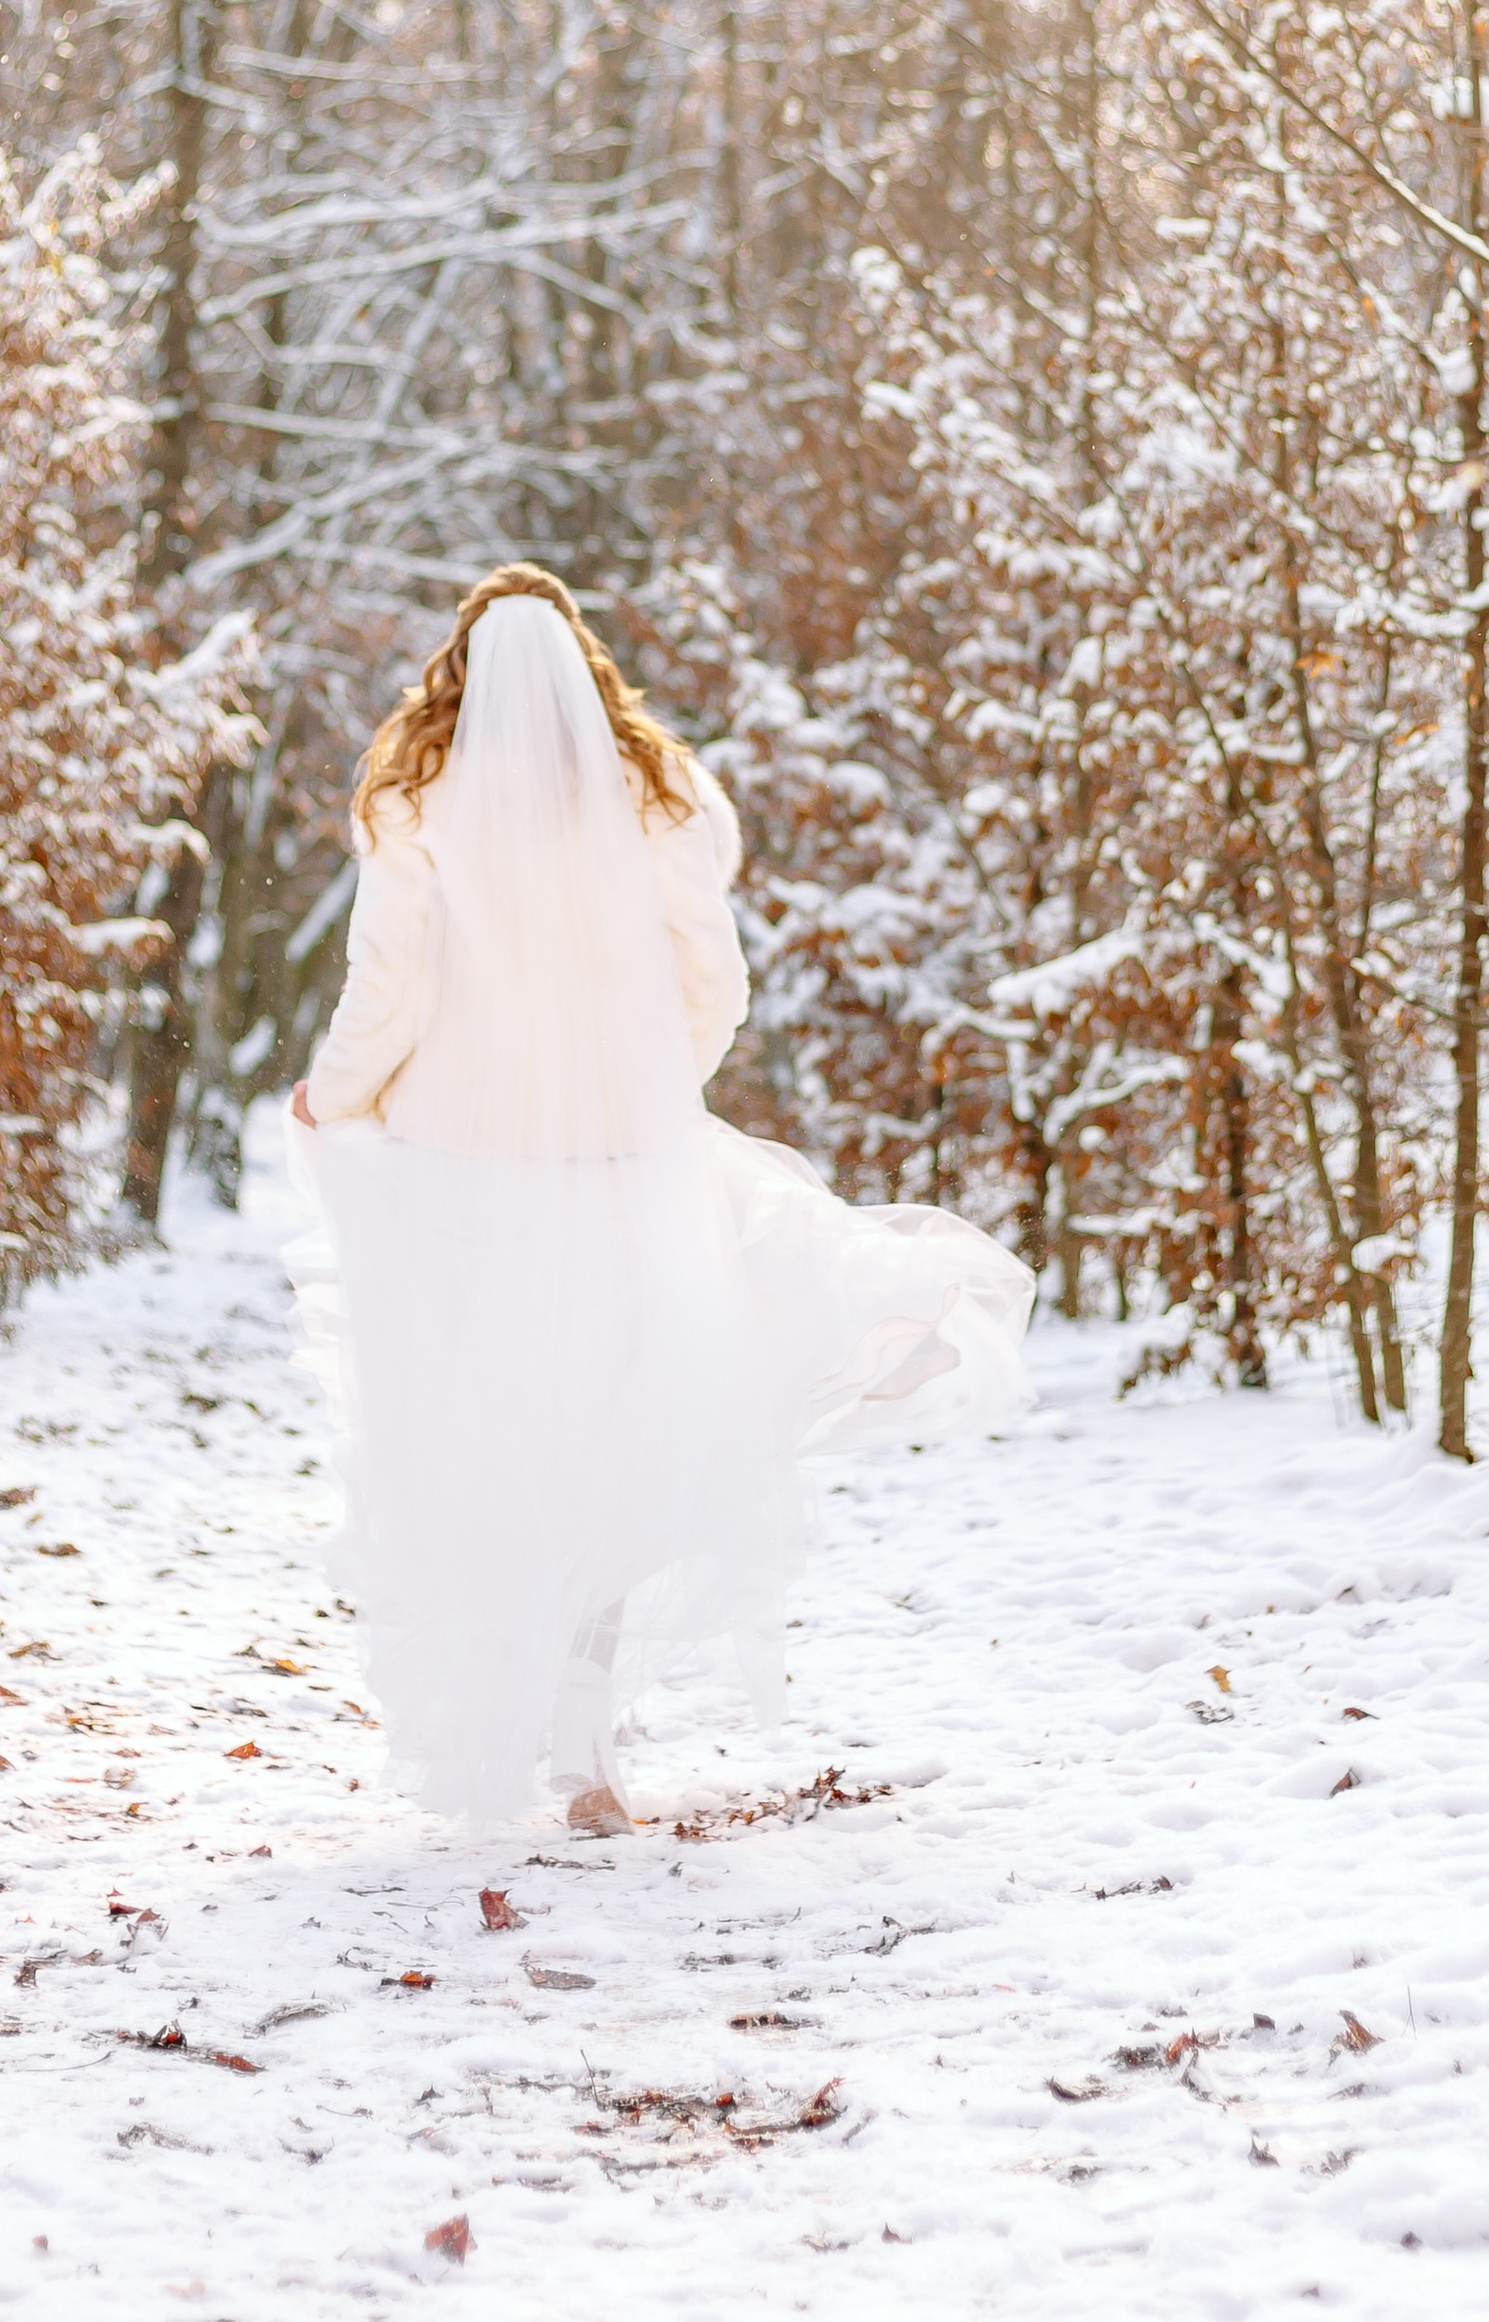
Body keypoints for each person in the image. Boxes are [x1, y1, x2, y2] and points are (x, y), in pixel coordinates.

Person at [288, 564, 1033, 1830]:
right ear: (586, 666)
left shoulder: (418, 796)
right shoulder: (657, 793)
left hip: (459, 1166)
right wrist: (638, 1088)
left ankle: (497, 1726)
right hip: (619, 1165)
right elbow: (715, 984)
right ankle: (586, 1762)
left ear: (459, 669)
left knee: (487, 1442)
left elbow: (388, 983)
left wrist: (338, 1092)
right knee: (608, 1443)